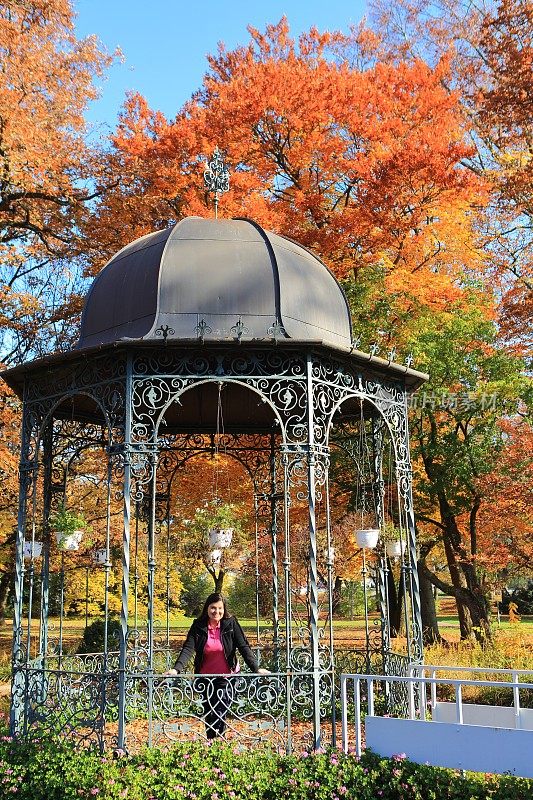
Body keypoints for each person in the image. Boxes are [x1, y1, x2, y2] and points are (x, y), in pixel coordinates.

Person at [164, 593, 269, 739]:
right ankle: (212, 743)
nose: (216, 612)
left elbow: (243, 646)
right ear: (207, 608)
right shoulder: (198, 626)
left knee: (220, 710)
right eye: (213, 608)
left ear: (224, 609)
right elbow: (188, 648)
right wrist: (176, 669)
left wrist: (256, 667)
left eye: (220, 608)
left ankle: (218, 743)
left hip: (227, 677)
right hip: (206, 677)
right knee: (209, 712)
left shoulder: (231, 623)